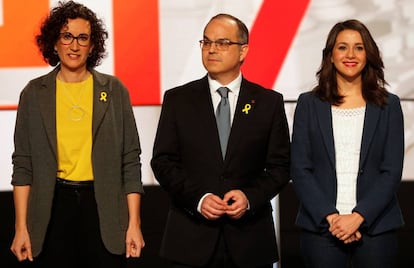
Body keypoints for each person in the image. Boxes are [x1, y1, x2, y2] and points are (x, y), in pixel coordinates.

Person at [10, 1, 144, 267]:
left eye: (83, 38)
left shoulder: (114, 90)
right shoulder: (35, 94)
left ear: (93, 45)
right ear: (54, 43)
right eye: (67, 36)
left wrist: (134, 224)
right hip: (51, 210)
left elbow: (130, 161)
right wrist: (21, 228)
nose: (74, 45)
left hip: (103, 209)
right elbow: (23, 165)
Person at [151, 13, 290, 268]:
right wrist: (199, 199)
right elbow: (163, 162)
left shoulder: (269, 103)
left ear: (243, 51)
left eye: (222, 43)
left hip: (250, 240)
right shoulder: (178, 100)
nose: (212, 49)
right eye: (206, 42)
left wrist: (249, 197)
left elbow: (280, 167)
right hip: (190, 239)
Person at [291, 19, 405, 268]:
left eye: (359, 47)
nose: (350, 55)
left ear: (369, 54)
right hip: (321, 228)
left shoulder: (389, 105)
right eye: (342, 47)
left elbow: (392, 171)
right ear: (330, 55)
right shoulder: (308, 104)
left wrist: (358, 217)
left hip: (376, 227)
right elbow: (300, 168)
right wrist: (331, 217)